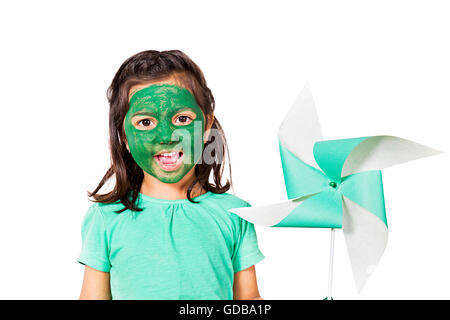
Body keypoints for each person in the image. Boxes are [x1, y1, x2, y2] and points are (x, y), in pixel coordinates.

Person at [77, 50, 265, 299]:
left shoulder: (236, 215)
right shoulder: (106, 218)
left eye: (182, 118)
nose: (166, 136)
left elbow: (249, 300)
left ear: (206, 126)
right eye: (145, 122)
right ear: (124, 136)